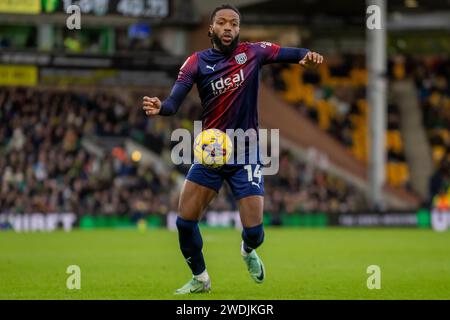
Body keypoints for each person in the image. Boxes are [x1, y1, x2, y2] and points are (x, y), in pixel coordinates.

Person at [142, 4, 323, 294]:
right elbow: (174, 102)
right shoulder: (195, 62)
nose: (229, 28)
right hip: (211, 151)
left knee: (255, 232)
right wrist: (160, 106)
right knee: (185, 223)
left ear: (239, 29)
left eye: (234, 24)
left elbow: (292, 53)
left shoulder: (254, 53)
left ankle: (247, 250)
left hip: (246, 150)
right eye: (222, 23)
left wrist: (306, 58)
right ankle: (200, 279)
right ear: (211, 29)